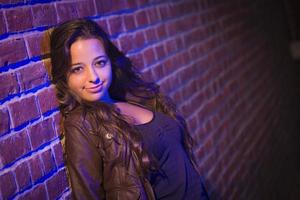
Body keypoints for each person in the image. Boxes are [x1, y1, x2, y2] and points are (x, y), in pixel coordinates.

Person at [49, 18, 209, 200]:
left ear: (110, 62)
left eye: (99, 63)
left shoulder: (134, 98)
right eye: (78, 69)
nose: (93, 76)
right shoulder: (81, 123)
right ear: (64, 75)